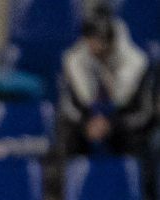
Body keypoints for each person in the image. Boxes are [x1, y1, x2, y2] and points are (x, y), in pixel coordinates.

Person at [58, 3, 155, 157]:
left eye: (101, 47)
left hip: (123, 126)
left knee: (140, 140)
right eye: (91, 43)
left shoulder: (137, 64)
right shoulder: (75, 60)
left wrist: (111, 126)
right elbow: (68, 107)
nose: (95, 50)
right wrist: (86, 124)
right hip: (87, 124)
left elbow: (145, 114)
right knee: (65, 134)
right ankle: (71, 179)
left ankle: (134, 179)